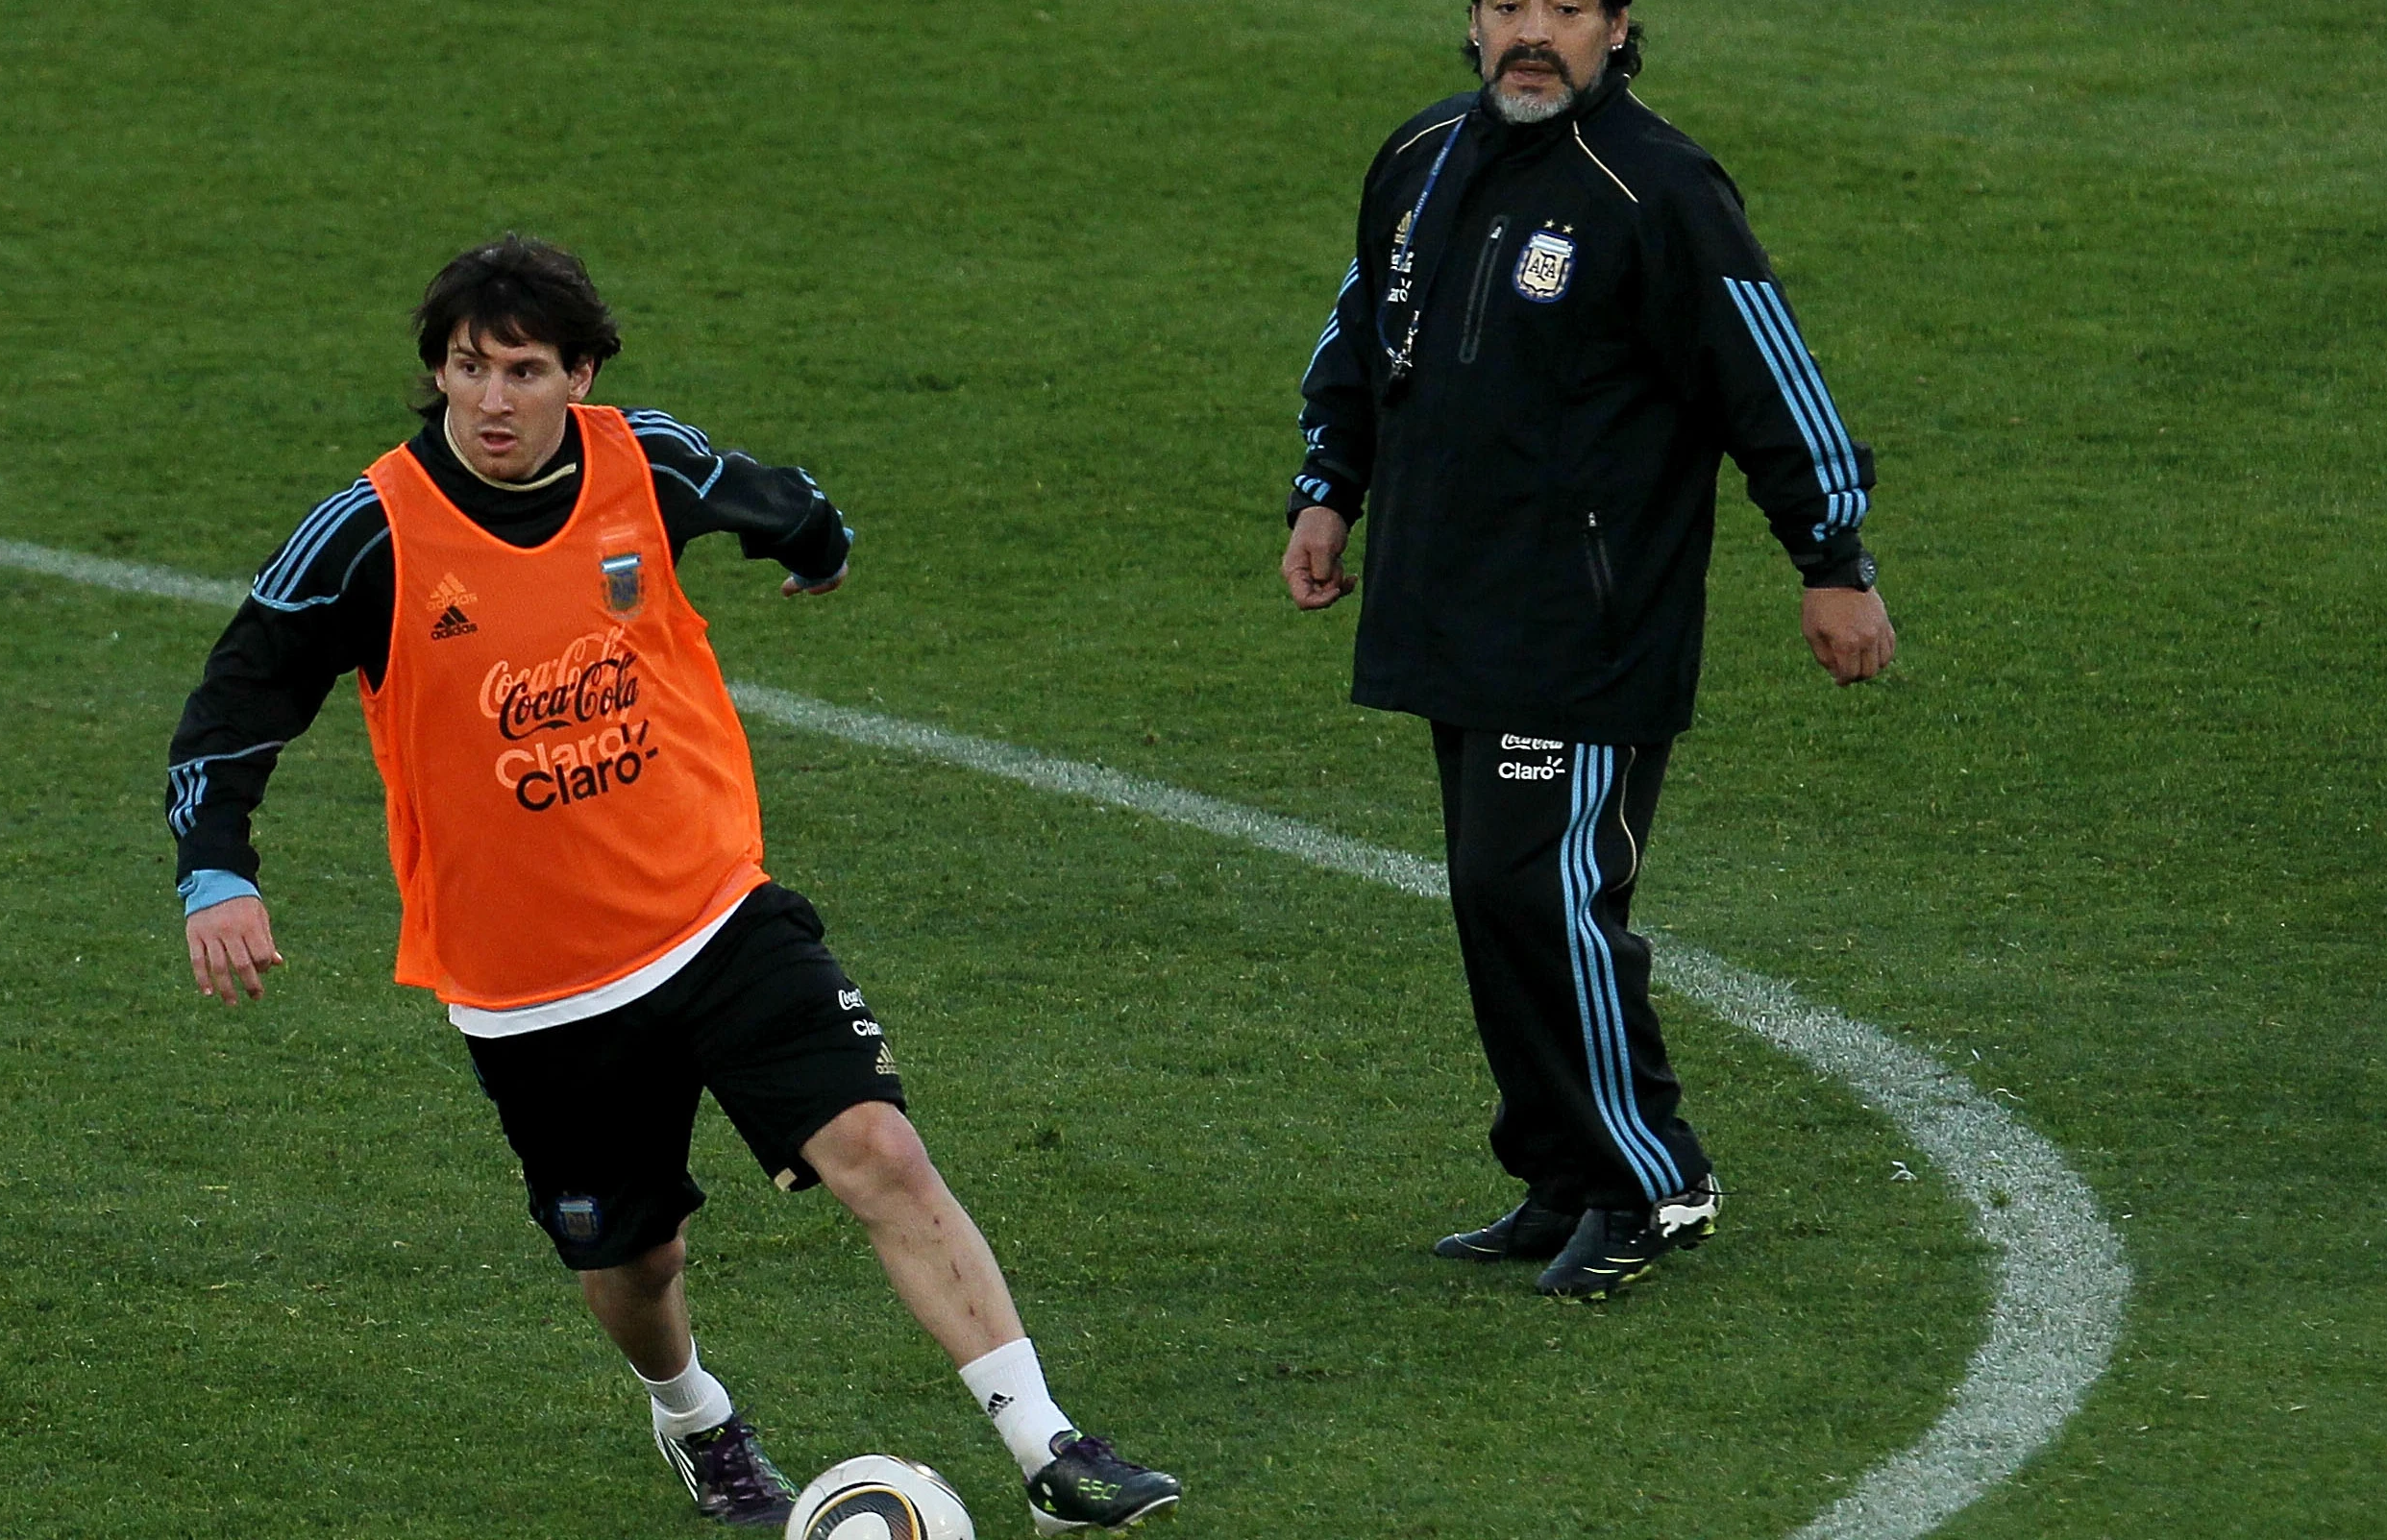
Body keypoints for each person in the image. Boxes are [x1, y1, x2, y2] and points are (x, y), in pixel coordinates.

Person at [167, 234, 1178, 1532]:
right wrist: (215, 869)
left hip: (713, 913)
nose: (490, 400)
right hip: (531, 987)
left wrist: (815, 546)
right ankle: (696, 1416)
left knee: (879, 1146)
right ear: (436, 373)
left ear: (577, 374)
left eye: (523, 370)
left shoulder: (642, 460)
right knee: (634, 1258)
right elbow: (233, 702)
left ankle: (1050, 1447)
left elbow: (779, 499)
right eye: (466, 368)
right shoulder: (370, 532)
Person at [1280, 1, 1896, 1301]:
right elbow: (1362, 331)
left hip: (1586, 621)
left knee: (1545, 894)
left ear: (1618, 30)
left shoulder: (1657, 187)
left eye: (1563, 9)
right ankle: (1560, 1170)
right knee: (1491, 896)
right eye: (1507, 6)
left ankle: (1651, 1171)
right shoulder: (1419, 158)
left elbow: (1769, 378)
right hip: (1448, 601)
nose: (1530, 34)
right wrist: (1327, 485)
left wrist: (1831, 562)